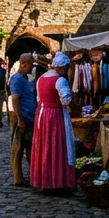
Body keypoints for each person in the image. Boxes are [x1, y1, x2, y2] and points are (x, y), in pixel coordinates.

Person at [30, 52, 77, 193]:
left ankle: (44, 180)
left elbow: (39, 98)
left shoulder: (41, 78)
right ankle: (57, 182)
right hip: (55, 116)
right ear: (62, 68)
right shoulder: (60, 80)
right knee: (57, 145)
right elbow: (66, 99)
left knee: (44, 146)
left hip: (42, 115)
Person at [9, 53, 37, 187]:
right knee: (18, 148)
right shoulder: (17, 79)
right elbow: (15, 99)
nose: (32, 68)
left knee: (30, 147)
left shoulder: (24, 78)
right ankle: (18, 177)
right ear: (24, 64)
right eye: (31, 65)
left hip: (28, 117)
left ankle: (33, 175)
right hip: (23, 117)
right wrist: (20, 119)